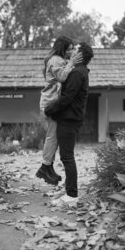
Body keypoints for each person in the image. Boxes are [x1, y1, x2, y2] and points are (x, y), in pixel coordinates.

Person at [44, 42, 94, 206]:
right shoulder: (79, 71)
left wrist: (50, 109)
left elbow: (66, 99)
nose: (72, 52)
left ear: (79, 56)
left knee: (67, 157)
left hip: (69, 119)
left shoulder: (76, 73)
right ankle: (68, 191)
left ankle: (72, 195)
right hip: (70, 118)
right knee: (66, 156)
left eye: (75, 50)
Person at [36, 36, 82, 186]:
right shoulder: (56, 60)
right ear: (62, 48)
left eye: (72, 49)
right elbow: (62, 77)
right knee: (52, 136)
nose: (70, 51)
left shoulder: (58, 60)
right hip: (50, 103)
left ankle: (47, 167)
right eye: (68, 49)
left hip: (52, 102)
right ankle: (45, 166)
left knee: (53, 135)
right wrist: (72, 63)